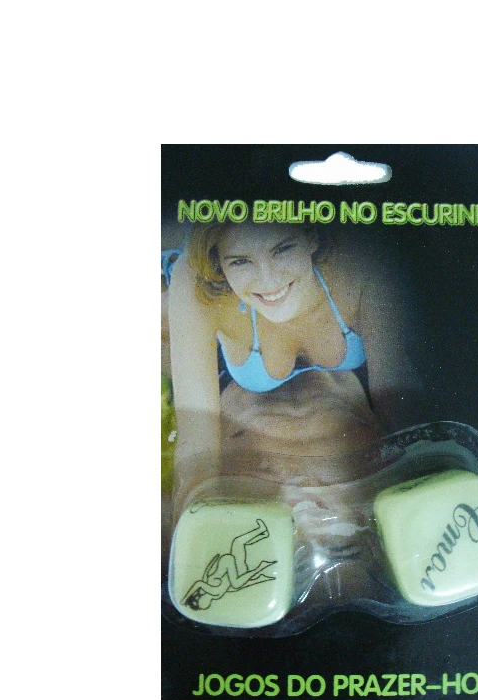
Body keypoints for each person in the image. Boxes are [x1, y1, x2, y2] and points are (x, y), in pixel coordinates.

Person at [165, 220, 425, 527]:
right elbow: (197, 440)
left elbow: (399, 406)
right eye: (240, 261)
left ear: (312, 237)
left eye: (283, 249)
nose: (268, 280)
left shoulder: (362, 261)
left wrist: (425, 501)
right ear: (217, 260)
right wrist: (195, 531)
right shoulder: (194, 279)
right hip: (228, 359)